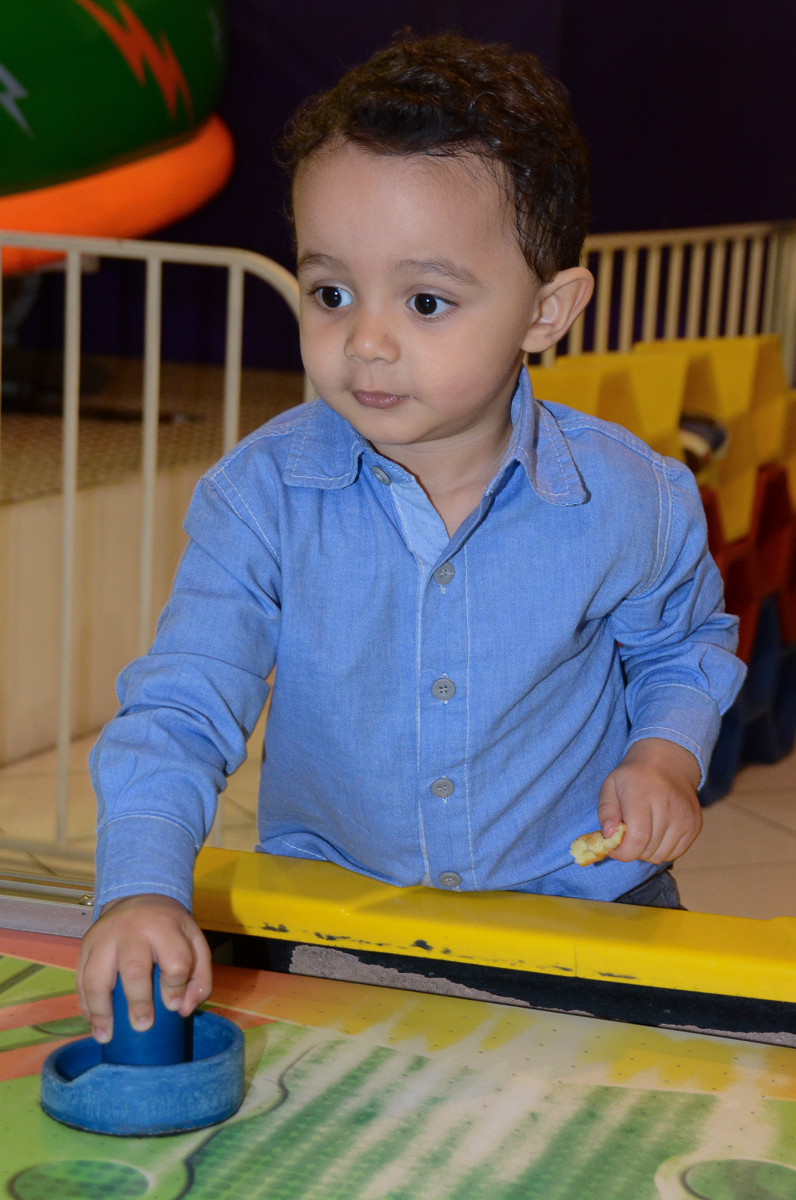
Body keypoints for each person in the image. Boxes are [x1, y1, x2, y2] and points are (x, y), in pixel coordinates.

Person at [76, 33, 745, 1041]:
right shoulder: (258, 497)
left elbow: (680, 646)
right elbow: (181, 707)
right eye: (330, 292)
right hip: (339, 919)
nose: (366, 341)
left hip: (587, 913)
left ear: (547, 309)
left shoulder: (633, 497)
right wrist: (138, 885)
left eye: (426, 301)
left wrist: (664, 758)